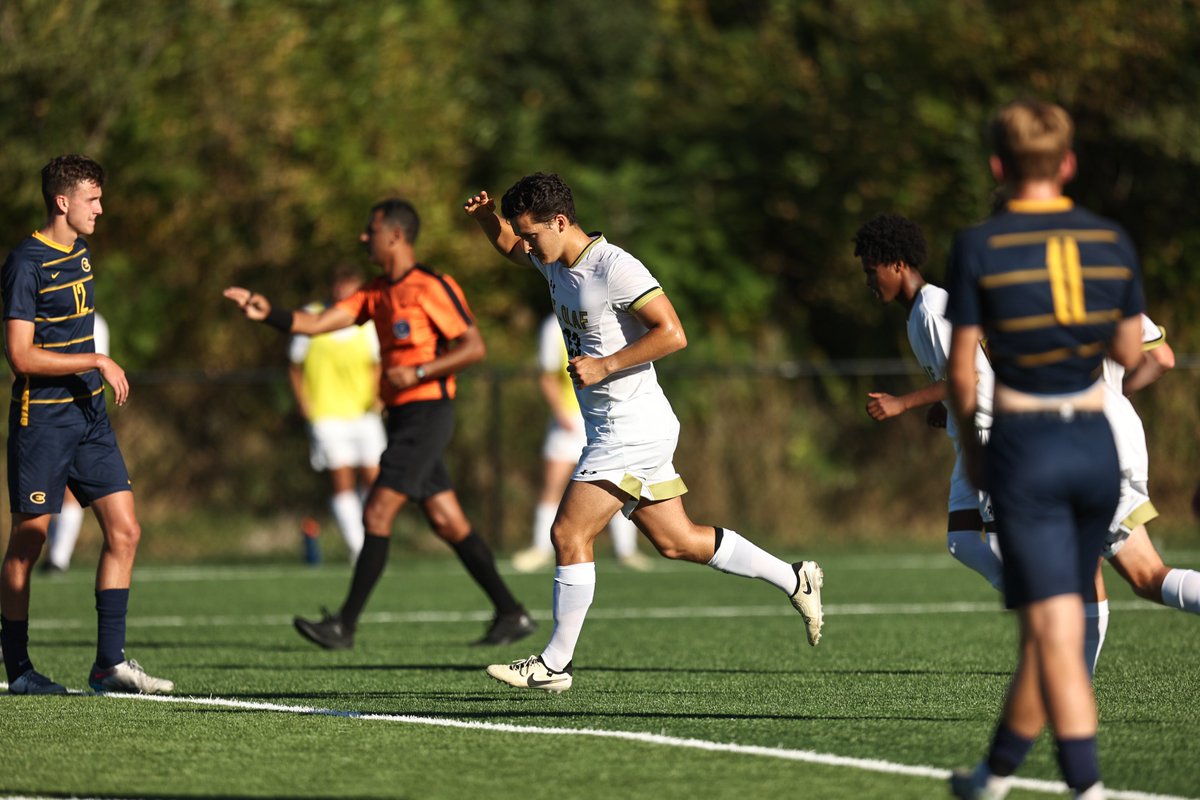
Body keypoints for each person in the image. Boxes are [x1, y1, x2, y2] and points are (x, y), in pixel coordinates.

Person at [464, 173, 824, 694]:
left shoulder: (615, 267)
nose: (527, 244)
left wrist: (606, 365)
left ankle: (554, 664)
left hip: (631, 428)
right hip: (620, 427)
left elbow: (672, 333)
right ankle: (796, 579)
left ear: (561, 222)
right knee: (678, 542)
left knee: (569, 534)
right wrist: (484, 220)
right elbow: (510, 248)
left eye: (533, 234)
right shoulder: (553, 260)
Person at [943, 101, 1145, 800]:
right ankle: (991, 777)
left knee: (1055, 626)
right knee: (1057, 622)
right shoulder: (1111, 238)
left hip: (1028, 446)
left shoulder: (979, 245)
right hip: (1096, 442)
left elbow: (963, 369)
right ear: (1068, 165)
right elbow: (1128, 349)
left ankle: (1086, 790)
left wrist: (973, 450)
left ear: (998, 167)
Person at [224, 198, 536, 649]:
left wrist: (420, 373)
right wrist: (267, 312)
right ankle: (512, 612)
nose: (363, 238)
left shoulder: (431, 286)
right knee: (447, 521)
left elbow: (473, 348)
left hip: (428, 413)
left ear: (395, 235)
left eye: (370, 231)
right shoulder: (374, 292)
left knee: (377, 510)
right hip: (403, 417)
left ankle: (344, 626)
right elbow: (314, 324)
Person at [1, 154, 173, 694]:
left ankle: (109, 666)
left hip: (89, 418)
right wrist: (97, 360)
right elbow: (21, 356)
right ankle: (18, 670)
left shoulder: (82, 252)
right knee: (29, 542)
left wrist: (94, 374)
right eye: (92, 199)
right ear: (63, 201)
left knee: (125, 530)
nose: (101, 208)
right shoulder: (26, 263)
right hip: (44, 422)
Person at [855, 213, 1003, 592]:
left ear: (898, 264)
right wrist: (943, 403)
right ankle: (1024, 594)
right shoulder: (916, 317)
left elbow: (969, 375)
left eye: (873, 271)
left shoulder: (932, 308)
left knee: (1008, 545)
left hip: (992, 434)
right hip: (971, 440)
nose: (869, 282)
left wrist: (903, 403)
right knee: (962, 541)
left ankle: (1055, 608)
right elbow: (953, 377)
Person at [512, 314, 651, 573]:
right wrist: (561, 414)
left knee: (622, 484)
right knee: (553, 483)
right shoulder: (553, 326)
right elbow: (547, 376)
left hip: (606, 418)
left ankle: (626, 550)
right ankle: (540, 548)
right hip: (570, 420)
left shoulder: (608, 318)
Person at [287, 265, 386, 563]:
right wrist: (303, 401)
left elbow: (377, 363)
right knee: (342, 479)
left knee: (375, 478)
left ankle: (371, 537)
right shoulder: (314, 315)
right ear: (332, 286)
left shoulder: (366, 321)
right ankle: (359, 548)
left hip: (364, 413)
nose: (345, 290)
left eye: (351, 284)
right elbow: (294, 365)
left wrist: (379, 396)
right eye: (341, 284)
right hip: (327, 414)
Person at [41, 311, 110, 573]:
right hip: (42, 414)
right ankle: (51, 555)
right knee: (44, 489)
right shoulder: (41, 317)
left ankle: (59, 558)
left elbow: (96, 368)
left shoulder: (95, 322)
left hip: (77, 413)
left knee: (70, 488)